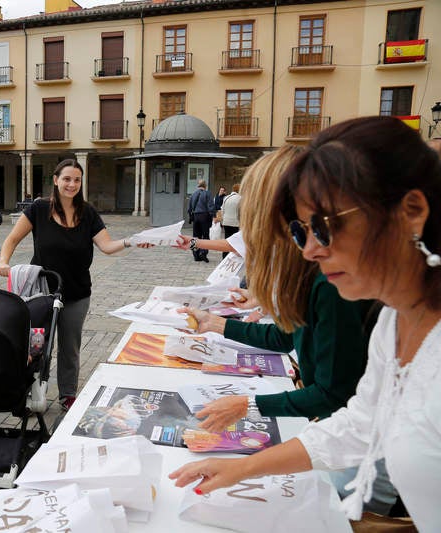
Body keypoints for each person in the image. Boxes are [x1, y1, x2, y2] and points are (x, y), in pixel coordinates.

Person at [170, 116, 441, 528]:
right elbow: (358, 424)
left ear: (412, 212)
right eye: (299, 231)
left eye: (325, 226)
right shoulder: (395, 322)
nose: (310, 250)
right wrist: (242, 469)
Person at [177, 146, 390, 512]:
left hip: (361, 465)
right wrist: (219, 325)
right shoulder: (313, 273)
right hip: (344, 440)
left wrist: (251, 407)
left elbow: (335, 393)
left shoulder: (330, 282)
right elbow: (288, 335)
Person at [0, 159, 139, 411]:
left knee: (69, 348)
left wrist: (130, 241)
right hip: (41, 293)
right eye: (67, 179)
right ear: (56, 180)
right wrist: (3, 262)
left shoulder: (88, 213)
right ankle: (29, 393)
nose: (72, 184)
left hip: (76, 293)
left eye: (76, 180)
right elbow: (12, 239)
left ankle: (68, 395)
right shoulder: (39, 209)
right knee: (36, 346)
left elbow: (106, 246)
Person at [188, 180, 214, 263]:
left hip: (196, 216)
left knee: (195, 236)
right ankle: (203, 252)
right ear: (205, 185)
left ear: (198, 186)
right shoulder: (207, 193)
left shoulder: (193, 194)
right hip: (204, 216)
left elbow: (189, 208)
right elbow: (211, 206)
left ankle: (195, 254)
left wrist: (191, 216)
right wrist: (213, 216)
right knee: (205, 236)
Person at [220, 183, 241, 257]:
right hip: (235, 223)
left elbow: (222, 210)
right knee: (235, 241)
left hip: (226, 222)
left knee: (227, 240)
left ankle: (225, 256)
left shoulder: (226, 198)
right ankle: (232, 256)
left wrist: (222, 220)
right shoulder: (240, 198)